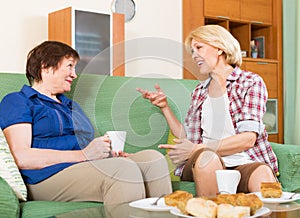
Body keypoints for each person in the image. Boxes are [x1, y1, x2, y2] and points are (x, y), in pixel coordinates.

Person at [0, 41, 172, 204]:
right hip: (44, 177)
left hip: (84, 167)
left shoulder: (71, 106)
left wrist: (107, 154)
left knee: (153, 160)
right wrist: (84, 155)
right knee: (122, 169)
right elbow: (21, 156)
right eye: (69, 66)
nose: (74, 74)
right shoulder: (18, 100)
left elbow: (88, 148)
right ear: (46, 67)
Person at [137, 25, 278, 197]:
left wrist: (197, 147)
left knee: (262, 174)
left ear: (219, 48)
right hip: (204, 159)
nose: (194, 55)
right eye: (192, 50)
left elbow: (248, 139)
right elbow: (187, 136)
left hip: (242, 160)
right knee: (207, 158)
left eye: (199, 48)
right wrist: (165, 107)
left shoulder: (250, 82)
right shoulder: (199, 92)